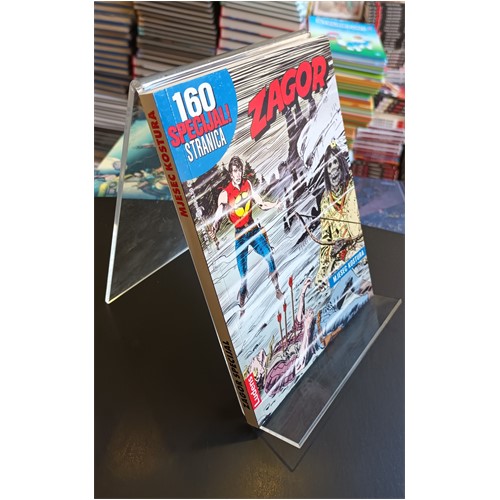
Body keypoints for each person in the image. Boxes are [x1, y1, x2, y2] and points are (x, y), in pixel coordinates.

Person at [209, 156, 284, 310]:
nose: (238, 174)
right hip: (240, 235)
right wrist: (215, 225)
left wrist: (275, 205)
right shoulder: (225, 194)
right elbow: (219, 211)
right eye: (235, 171)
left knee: (269, 257)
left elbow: (261, 203)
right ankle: (242, 298)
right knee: (243, 274)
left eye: (240, 170)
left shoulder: (247, 184)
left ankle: (277, 288)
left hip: (253, 229)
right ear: (231, 173)